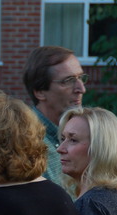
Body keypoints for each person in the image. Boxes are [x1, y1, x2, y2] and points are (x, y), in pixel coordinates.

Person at [23, 45, 88, 186]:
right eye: (68, 80)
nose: (81, 89)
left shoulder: (88, 134)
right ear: (40, 92)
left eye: (81, 78)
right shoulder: (24, 144)